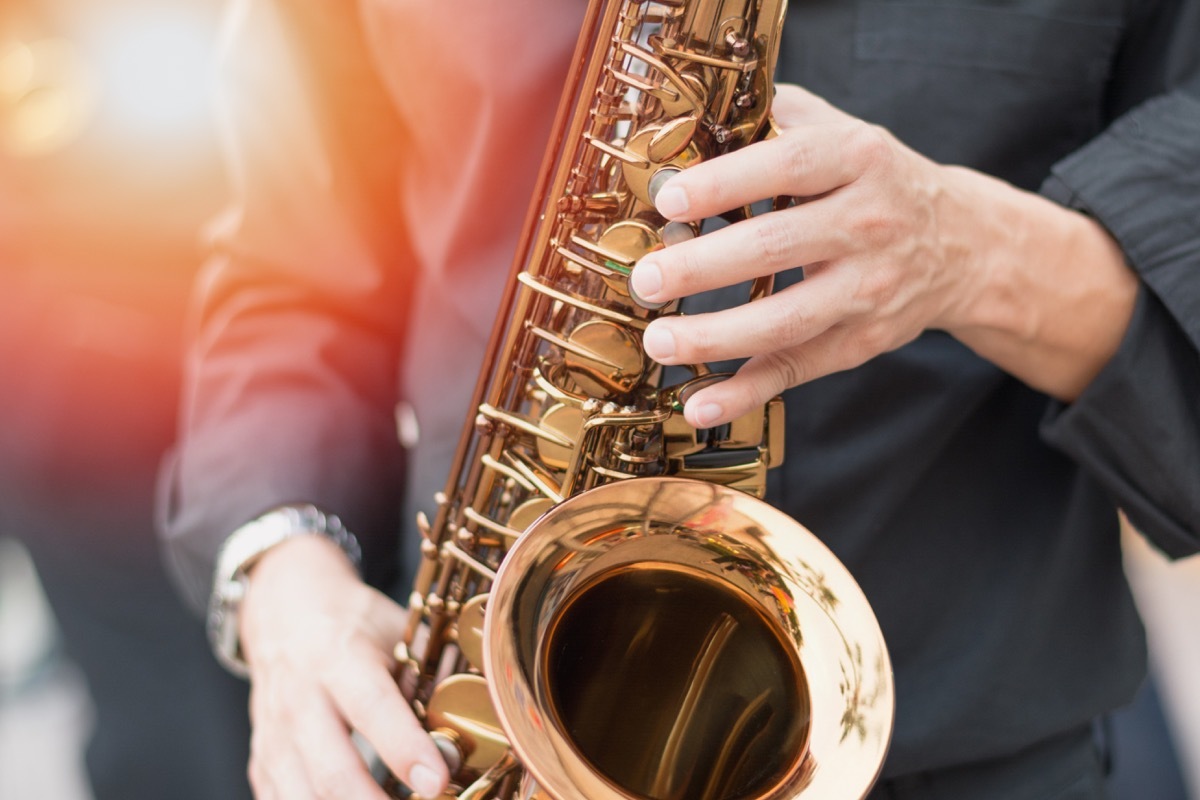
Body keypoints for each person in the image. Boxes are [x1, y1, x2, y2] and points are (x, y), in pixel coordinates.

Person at [158, 1, 1200, 798]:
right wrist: (283, 579)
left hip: (975, 741)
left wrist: (974, 254)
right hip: (478, 725)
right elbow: (284, 275)